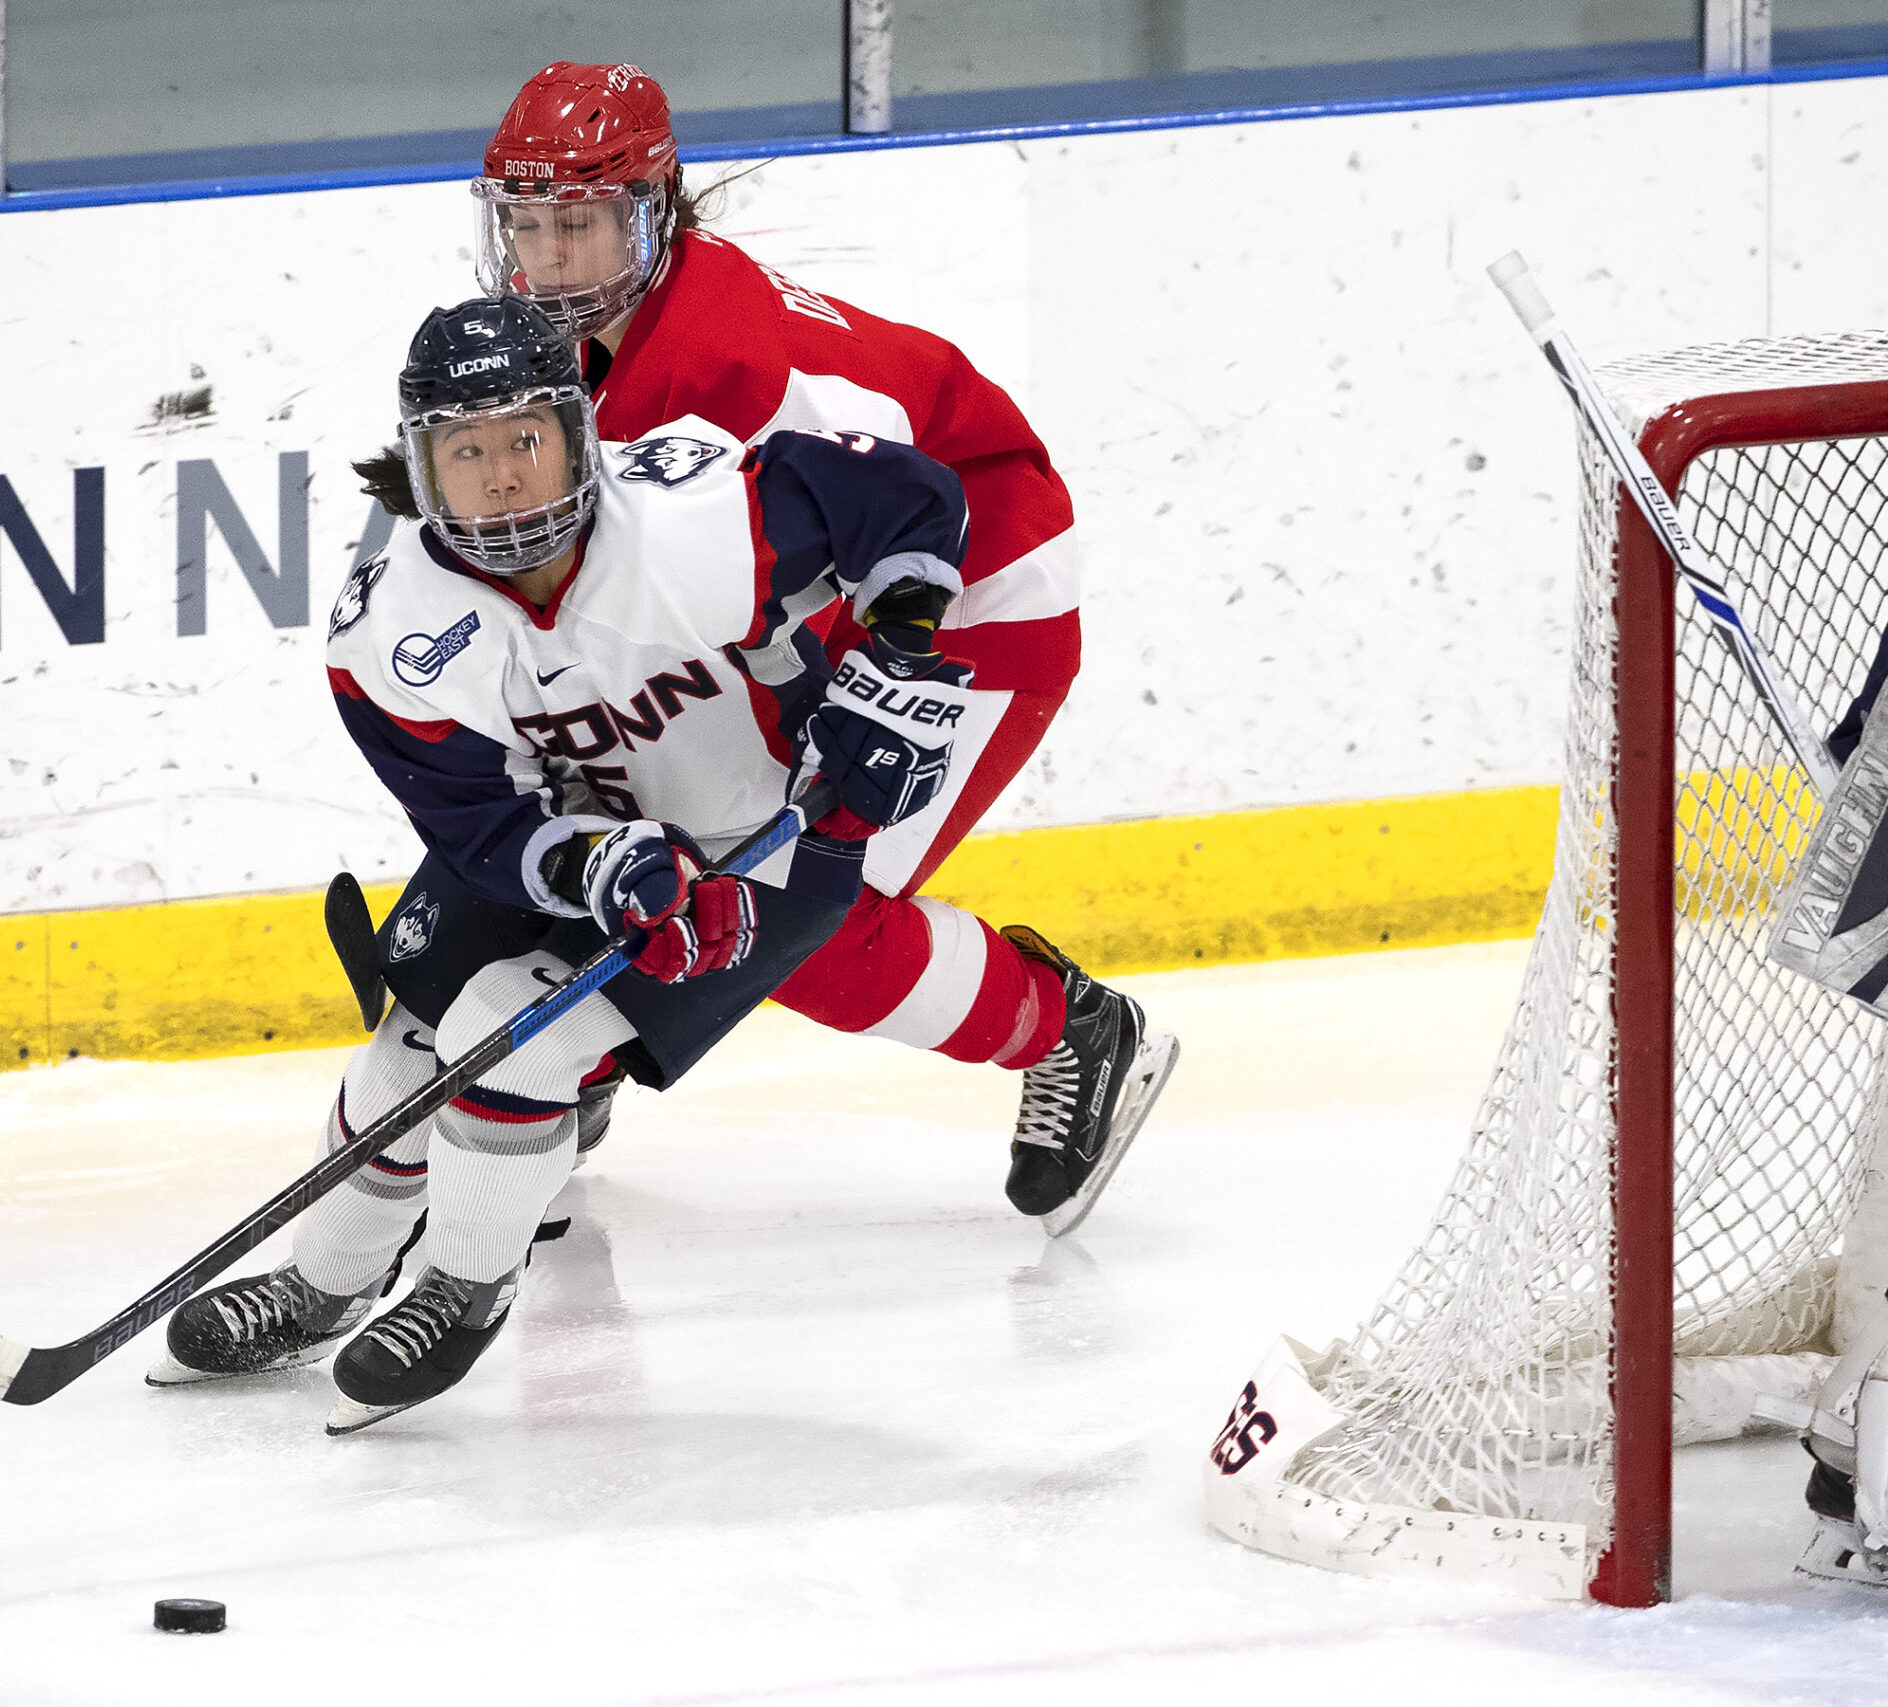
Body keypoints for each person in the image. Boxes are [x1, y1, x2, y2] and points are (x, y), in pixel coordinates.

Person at [148, 294, 1141, 1434]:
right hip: (575, 837)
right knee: (409, 1040)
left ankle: (467, 1284)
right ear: (421, 473)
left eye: (525, 439)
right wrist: (596, 869)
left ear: (579, 433)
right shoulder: (388, 638)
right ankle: (326, 1282)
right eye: (467, 454)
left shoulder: (696, 516)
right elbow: (477, 824)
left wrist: (897, 651)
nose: (505, 477)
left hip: (755, 846)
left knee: (510, 1033)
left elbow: (907, 500)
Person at [467, 63, 1175, 1232]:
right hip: (811, 589)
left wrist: (880, 670)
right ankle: (574, 1065)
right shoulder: (593, 328)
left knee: (809, 918)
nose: (547, 260)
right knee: (635, 801)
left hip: (973, 596)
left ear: (651, 208)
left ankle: (1075, 1028)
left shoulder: (740, 371)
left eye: (580, 227)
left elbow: (916, 510)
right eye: (527, 226)